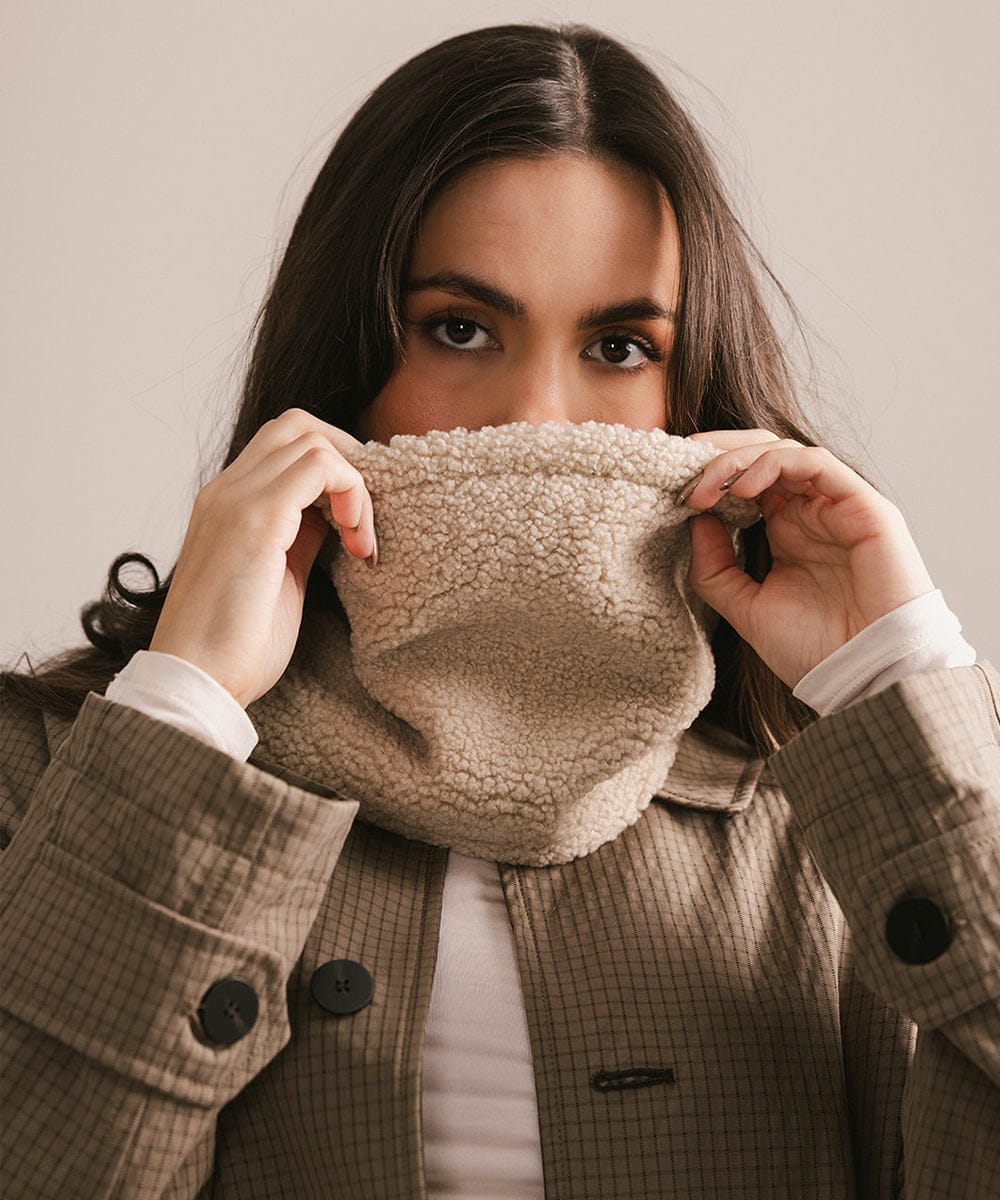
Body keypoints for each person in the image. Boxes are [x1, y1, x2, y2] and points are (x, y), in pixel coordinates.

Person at [1, 21, 997, 1200]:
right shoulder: (55, 769)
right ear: (344, 357)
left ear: (695, 398)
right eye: (458, 329)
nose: (538, 417)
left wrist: (895, 681)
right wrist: (187, 707)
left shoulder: (829, 806)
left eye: (620, 346)